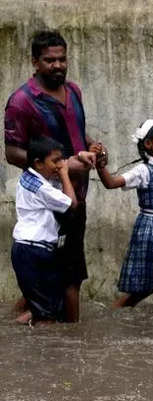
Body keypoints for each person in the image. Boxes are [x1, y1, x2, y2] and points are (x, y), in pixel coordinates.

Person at [4, 30, 101, 322]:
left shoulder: (73, 92)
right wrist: (62, 166)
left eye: (62, 59)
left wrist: (92, 149)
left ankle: (21, 326)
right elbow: (11, 153)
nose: (57, 65)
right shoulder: (22, 101)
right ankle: (72, 341)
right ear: (35, 62)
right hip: (49, 202)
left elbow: (77, 133)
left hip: (75, 197)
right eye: (49, 61)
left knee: (57, 279)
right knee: (69, 277)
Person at [95, 119, 153, 308]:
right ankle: (115, 312)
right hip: (151, 231)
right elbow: (111, 183)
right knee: (151, 286)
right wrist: (100, 166)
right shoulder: (143, 170)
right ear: (148, 144)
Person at [11, 136, 79, 324]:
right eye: (55, 161)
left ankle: (14, 336)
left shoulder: (29, 177)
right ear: (38, 163)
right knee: (45, 316)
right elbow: (71, 203)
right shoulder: (40, 187)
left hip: (29, 250)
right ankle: (42, 350)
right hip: (34, 251)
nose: (59, 165)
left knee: (43, 308)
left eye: (61, 160)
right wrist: (65, 173)